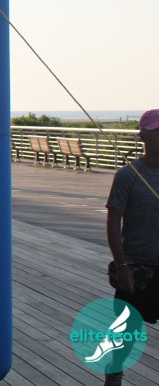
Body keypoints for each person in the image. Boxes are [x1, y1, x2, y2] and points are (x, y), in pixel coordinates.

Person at [104, 109, 159, 385]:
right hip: (137, 267)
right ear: (143, 136)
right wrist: (122, 265)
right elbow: (113, 222)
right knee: (125, 335)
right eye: (157, 132)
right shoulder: (128, 175)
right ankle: (113, 377)